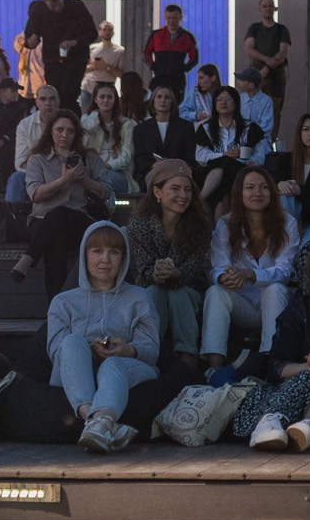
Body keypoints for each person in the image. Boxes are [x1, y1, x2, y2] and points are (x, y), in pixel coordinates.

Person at [47, 220, 160, 453]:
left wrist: (127, 349)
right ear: (84, 255)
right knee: (71, 342)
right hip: (75, 373)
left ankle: (97, 423)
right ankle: (98, 421)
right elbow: (57, 355)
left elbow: (152, 352)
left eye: (114, 252)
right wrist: (88, 349)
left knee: (112, 363)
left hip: (125, 368)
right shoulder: (63, 302)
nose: (105, 259)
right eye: (97, 251)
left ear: (123, 258)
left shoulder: (140, 298)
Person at [231, 244, 310, 451]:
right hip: (286, 395)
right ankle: (271, 421)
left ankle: (307, 425)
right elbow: (275, 368)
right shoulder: (298, 311)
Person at [202, 164, 301, 371]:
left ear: (272, 192)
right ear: (239, 192)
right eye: (250, 187)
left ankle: (269, 361)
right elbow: (218, 266)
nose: (257, 193)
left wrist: (250, 274)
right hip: (243, 302)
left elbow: (285, 271)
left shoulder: (287, 223)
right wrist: (226, 277)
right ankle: (214, 368)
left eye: (264, 187)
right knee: (215, 291)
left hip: (276, 302)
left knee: (275, 289)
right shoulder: (225, 224)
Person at [12, 111, 113, 294]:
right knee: (56, 240)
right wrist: (64, 180)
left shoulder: (89, 157)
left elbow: (107, 191)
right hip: (42, 220)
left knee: (61, 214)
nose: (64, 135)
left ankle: (28, 258)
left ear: (76, 134)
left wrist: (84, 180)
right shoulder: (38, 159)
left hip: (80, 218)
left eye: (70, 131)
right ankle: (58, 310)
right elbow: (35, 194)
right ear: (50, 131)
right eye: (59, 130)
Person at [126, 158, 214, 364]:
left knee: (178, 294)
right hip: (152, 285)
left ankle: (187, 356)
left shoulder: (199, 224)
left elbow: (193, 268)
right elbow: (144, 269)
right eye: (175, 189)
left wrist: (176, 273)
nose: (183, 196)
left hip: (190, 287)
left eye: (188, 190)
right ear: (158, 192)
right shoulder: (139, 224)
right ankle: (149, 353)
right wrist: (156, 272)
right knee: (155, 293)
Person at [25, 0, 98, 106]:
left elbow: (92, 33)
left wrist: (74, 42)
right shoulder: (38, 10)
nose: (57, 9)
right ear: (45, 1)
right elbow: (30, 36)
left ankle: (70, 118)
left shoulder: (75, 6)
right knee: (54, 92)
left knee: (69, 92)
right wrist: (31, 41)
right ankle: (56, 119)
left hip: (76, 57)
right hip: (52, 57)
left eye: (59, 4)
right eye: (53, 6)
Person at [195, 84, 265, 208]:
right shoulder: (206, 128)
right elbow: (200, 156)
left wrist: (252, 162)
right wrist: (223, 155)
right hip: (211, 175)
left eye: (228, 99)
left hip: (242, 173)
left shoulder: (250, 128)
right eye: (219, 99)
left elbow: (260, 155)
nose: (223, 103)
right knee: (223, 200)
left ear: (236, 103)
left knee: (227, 164)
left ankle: (200, 199)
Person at [243, 0, 293, 140]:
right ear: (259, 9)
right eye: (264, 6)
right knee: (252, 107)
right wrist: (266, 61)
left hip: (276, 77)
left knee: (274, 110)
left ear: (275, 9)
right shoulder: (254, 28)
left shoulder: (282, 29)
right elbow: (249, 49)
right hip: (255, 76)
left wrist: (268, 68)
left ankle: (270, 142)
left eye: (270, 6)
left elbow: (283, 52)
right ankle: (251, 140)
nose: (267, 8)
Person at [5, 83, 62, 202]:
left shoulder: (69, 122)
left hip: (62, 174)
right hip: (34, 174)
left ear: (58, 101)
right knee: (17, 178)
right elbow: (20, 163)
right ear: (37, 102)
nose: (48, 103)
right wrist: (39, 175)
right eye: (43, 99)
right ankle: (10, 216)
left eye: (52, 99)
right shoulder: (25, 125)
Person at [132, 82, 195, 186]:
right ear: (153, 101)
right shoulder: (140, 129)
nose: (163, 100)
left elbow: (189, 156)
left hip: (178, 172)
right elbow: (139, 159)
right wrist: (153, 165)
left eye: (167, 97)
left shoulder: (186, 127)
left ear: (172, 102)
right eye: (159, 97)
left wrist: (171, 164)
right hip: (151, 173)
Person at [82, 82, 136, 196]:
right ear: (95, 100)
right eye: (102, 97)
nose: (105, 100)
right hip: (91, 170)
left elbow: (126, 157)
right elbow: (81, 147)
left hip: (116, 171)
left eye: (109, 97)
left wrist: (106, 166)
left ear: (115, 99)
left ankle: (106, 210)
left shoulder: (127, 124)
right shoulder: (86, 121)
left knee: (106, 179)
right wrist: (92, 122)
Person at [143, 4, 199, 94]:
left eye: (174, 18)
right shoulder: (156, 35)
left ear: (180, 18)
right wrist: (153, 66)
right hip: (159, 77)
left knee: (176, 104)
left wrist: (185, 68)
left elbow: (194, 57)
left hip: (177, 79)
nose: (171, 21)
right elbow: (146, 53)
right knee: (156, 102)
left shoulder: (187, 37)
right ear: (165, 18)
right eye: (169, 18)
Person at [14, 26, 47, 99]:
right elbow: (17, 45)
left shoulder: (45, 37)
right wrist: (20, 41)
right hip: (24, 84)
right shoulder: (26, 33)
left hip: (40, 82)